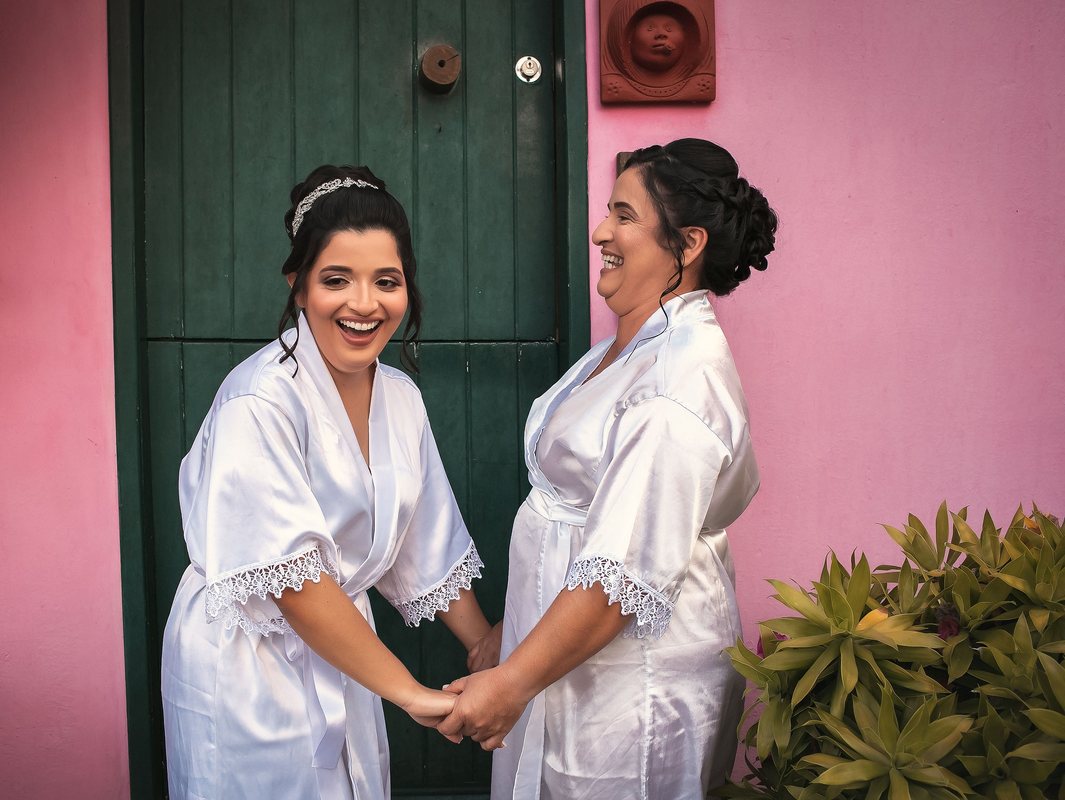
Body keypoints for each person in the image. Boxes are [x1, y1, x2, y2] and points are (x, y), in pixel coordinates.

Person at [438, 139, 779, 799]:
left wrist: (510, 681)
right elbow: (581, 521)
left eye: (624, 215)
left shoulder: (676, 386)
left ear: (687, 243)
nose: (601, 232)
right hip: (566, 661)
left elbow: (621, 574)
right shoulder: (630, 348)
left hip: (633, 686)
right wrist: (516, 625)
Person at [161, 165, 496, 800]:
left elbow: (425, 540)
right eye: (336, 279)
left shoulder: (399, 397)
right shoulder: (259, 401)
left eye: (386, 282)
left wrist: (483, 643)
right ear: (298, 286)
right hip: (249, 657)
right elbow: (297, 586)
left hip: (345, 650)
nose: (364, 304)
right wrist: (413, 695)